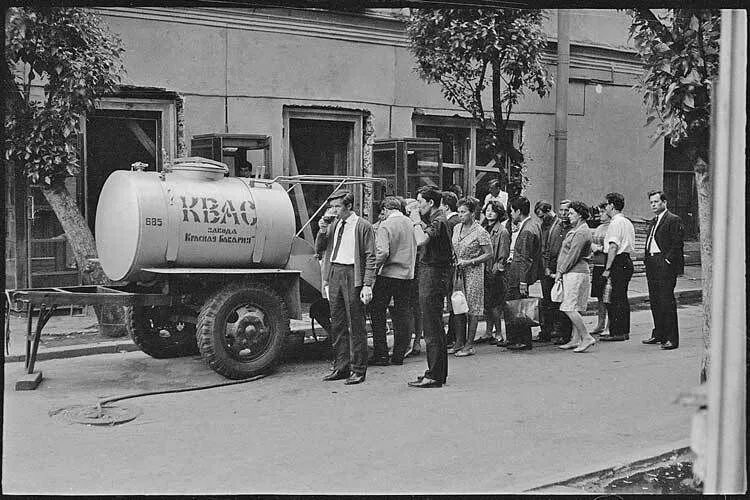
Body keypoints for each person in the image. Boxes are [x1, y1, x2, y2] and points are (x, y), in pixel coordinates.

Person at [316, 189, 376, 385]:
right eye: (331, 206)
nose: (333, 210)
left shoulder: (363, 226)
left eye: (337, 207)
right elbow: (320, 248)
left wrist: (367, 284)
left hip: (353, 274)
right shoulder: (333, 224)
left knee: (356, 323)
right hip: (335, 272)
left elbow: (370, 256)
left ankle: (358, 369)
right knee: (338, 323)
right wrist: (322, 228)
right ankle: (341, 367)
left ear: (349, 206)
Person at [406, 187, 452, 388]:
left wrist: (415, 219)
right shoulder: (437, 218)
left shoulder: (439, 221)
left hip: (434, 274)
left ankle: (434, 374)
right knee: (433, 326)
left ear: (430, 202)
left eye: (420, 202)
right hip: (432, 273)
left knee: (432, 327)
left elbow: (421, 239)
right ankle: (435, 371)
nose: (417, 206)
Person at [369, 196, 417, 366]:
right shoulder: (409, 222)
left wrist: (373, 270)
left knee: (377, 311)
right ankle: (399, 355)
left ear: (385, 209)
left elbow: (382, 252)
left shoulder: (386, 225)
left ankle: (381, 354)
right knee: (403, 313)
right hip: (407, 275)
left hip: (388, 274)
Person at [449, 197, 493, 357]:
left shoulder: (480, 232)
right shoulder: (456, 228)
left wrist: (471, 261)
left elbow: (489, 254)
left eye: (463, 212)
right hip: (459, 271)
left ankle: (469, 344)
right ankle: (459, 341)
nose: (460, 215)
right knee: (458, 304)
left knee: (473, 307)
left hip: (474, 271)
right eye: (459, 211)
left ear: (472, 213)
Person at [642, 190, 684, 350]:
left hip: (664, 263)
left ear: (664, 202)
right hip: (652, 262)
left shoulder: (673, 219)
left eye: (656, 202)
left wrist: (667, 261)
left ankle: (672, 338)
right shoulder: (654, 221)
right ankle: (659, 333)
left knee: (666, 300)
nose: (653, 205)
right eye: (651, 202)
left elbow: (677, 243)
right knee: (655, 300)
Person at [553, 201, 596, 352]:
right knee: (573, 305)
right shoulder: (578, 230)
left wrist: (560, 271)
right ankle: (575, 339)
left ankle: (586, 336)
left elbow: (573, 255)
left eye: (571, 213)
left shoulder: (581, 232)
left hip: (575, 272)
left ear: (580, 215)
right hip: (574, 272)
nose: (568, 216)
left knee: (569, 307)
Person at [503, 196, 542, 351]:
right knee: (516, 304)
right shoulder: (532, 225)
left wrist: (523, 281)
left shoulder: (526, 230)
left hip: (518, 274)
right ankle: (516, 338)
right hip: (518, 272)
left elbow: (525, 257)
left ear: (518, 211)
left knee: (518, 306)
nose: (511, 215)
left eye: (512, 211)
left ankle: (522, 339)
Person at [599, 192, 636, 342]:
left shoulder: (615, 222)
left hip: (618, 261)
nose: (606, 207)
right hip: (626, 260)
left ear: (612, 206)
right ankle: (623, 330)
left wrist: (607, 268)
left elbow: (613, 246)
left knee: (615, 298)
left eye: (607, 204)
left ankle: (617, 332)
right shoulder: (627, 221)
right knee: (622, 297)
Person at [538, 200, 574, 344]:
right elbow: (546, 248)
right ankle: (550, 330)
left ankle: (564, 333)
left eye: (567, 211)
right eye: (562, 210)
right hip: (550, 269)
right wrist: (546, 266)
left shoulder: (573, 228)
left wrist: (562, 271)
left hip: (564, 270)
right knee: (549, 300)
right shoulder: (556, 226)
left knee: (564, 303)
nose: (564, 214)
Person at [481, 200, 510, 345]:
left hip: (495, 273)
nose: (489, 213)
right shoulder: (483, 228)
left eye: (492, 211)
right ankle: (488, 331)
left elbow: (503, 256)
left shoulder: (502, 231)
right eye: (487, 210)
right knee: (486, 304)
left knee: (495, 305)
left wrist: (496, 270)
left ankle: (498, 332)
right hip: (483, 271)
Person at [441, 191, 460, 349]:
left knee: (454, 300)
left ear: (445, 206)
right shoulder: (455, 220)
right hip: (453, 266)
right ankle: (453, 334)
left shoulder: (450, 222)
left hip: (450, 267)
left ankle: (453, 335)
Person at [590, 202, 611, 336]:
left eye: (602, 212)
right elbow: (591, 241)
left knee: (607, 296)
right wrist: (593, 247)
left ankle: (610, 325)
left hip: (606, 264)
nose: (600, 214)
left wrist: (601, 248)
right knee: (599, 296)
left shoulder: (612, 227)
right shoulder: (599, 227)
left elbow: (612, 246)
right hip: (597, 264)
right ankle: (600, 323)